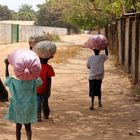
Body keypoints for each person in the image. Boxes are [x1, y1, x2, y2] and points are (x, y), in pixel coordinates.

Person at [4, 58, 42, 140]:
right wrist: (34, 70)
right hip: (29, 107)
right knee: (28, 127)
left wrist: (6, 65)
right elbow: (39, 80)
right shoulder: (32, 82)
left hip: (17, 107)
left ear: (18, 73)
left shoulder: (14, 82)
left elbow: (7, 78)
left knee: (18, 128)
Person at [37, 57, 55, 121]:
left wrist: (49, 90)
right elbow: (49, 80)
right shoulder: (49, 67)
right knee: (43, 103)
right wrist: (49, 90)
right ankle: (43, 115)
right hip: (43, 89)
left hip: (39, 89)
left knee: (40, 103)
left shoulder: (36, 67)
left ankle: (40, 116)